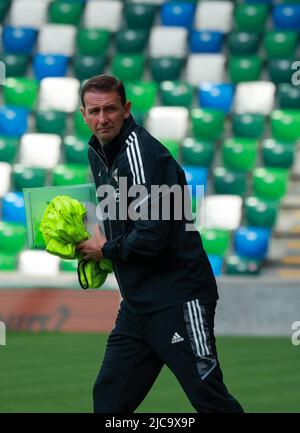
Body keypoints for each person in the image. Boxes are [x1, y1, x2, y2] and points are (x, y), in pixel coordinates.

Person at [76, 74, 244, 413]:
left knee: (210, 399)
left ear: (126, 109)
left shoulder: (140, 153)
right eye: (94, 111)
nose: (102, 118)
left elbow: (153, 235)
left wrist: (105, 249)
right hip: (138, 305)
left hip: (179, 300)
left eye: (110, 108)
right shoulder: (98, 153)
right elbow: (124, 222)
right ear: (83, 114)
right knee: (109, 401)